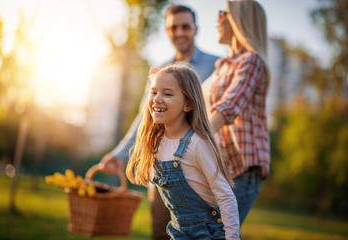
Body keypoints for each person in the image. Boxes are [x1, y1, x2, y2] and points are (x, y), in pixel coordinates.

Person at [98, 5, 219, 240]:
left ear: (195, 29)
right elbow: (145, 117)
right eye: (174, 27)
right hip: (163, 169)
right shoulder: (159, 70)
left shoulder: (216, 65)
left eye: (185, 26)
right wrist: (119, 155)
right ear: (167, 30)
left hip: (200, 170)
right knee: (160, 233)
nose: (180, 32)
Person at [126, 63, 240, 239]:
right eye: (154, 92)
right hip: (178, 232)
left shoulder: (197, 144)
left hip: (208, 233)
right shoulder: (156, 142)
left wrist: (233, 238)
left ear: (188, 104)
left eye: (168, 94)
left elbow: (226, 196)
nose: (156, 99)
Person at [202, 0, 270, 226]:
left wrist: (195, 140)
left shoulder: (251, 61)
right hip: (220, 167)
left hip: (241, 169)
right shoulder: (222, 66)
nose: (218, 18)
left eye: (225, 13)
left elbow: (229, 105)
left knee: (217, 233)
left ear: (240, 21)